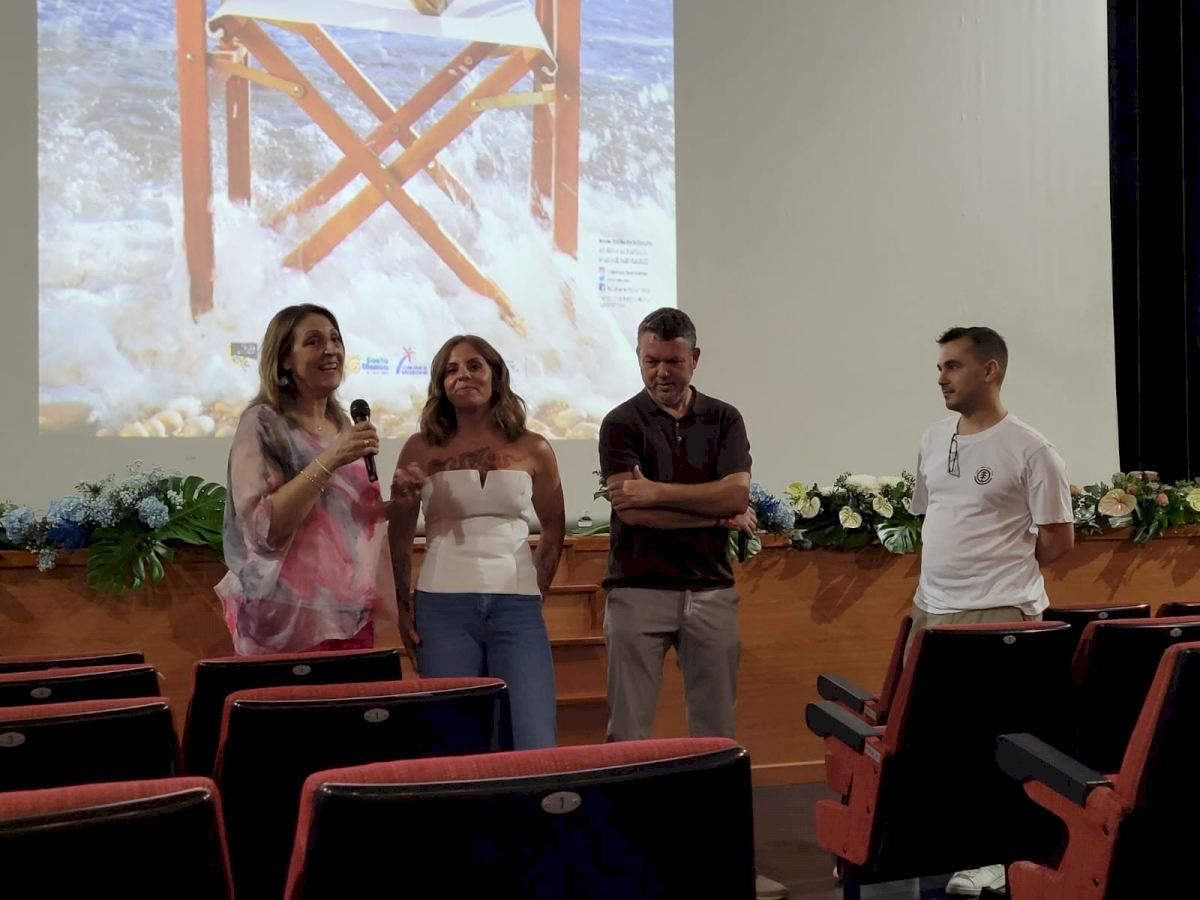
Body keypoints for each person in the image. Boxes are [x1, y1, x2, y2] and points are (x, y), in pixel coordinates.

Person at [599, 308, 788, 900]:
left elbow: (736, 495)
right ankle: (627, 868)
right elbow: (631, 513)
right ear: (639, 359)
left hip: (711, 591)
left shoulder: (725, 418)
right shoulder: (619, 422)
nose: (662, 372)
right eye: (651, 360)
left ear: (694, 360)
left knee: (716, 737)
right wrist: (711, 510)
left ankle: (723, 865)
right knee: (627, 736)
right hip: (635, 590)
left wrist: (657, 491)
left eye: (673, 361)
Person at [911, 326, 1075, 897]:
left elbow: (1057, 540)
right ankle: (944, 846)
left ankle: (997, 859)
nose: (941, 377)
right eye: (940, 367)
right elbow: (935, 515)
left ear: (990, 370)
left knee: (994, 743)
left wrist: (999, 567)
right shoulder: (933, 439)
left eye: (952, 366)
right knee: (939, 741)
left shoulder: (1032, 449)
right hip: (932, 609)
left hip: (998, 612)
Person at [388, 334, 565, 750]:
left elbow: (554, 527)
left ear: (495, 375)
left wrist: (535, 591)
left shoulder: (534, 447)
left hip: (518, 607)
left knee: (534, 739)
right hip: (441, 608)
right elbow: (399, 537)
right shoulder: (419, 447)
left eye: (474, 366)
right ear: (439, 384)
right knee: (452, 741)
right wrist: (402, 609)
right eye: (451, 369)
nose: (462, 375)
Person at [216, 303, 394, 655]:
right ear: (285, 359)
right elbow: (263, 530)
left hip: (350, 614)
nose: (330, 350)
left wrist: (401, 501)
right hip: (284, 617)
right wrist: (331, 458)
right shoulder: (263, 423)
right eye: (314, 341)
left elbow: (354, 523)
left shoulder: (343, 426)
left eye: (335, 339)